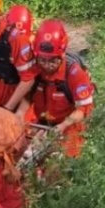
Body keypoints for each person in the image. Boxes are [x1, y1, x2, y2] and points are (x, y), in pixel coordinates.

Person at [19, 20, 95, 159]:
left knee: (65, 161)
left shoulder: (74, 74)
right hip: (41, 120)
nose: (47, 65)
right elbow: (27, 96)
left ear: (62, 54)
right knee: (19, 148)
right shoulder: (35, 68)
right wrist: (20, 116)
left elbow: (84, 108)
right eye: (42, 60)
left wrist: (63, 125)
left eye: (52, 60)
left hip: (68, 123)